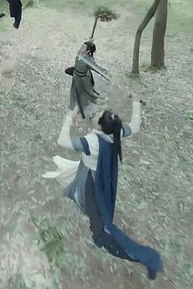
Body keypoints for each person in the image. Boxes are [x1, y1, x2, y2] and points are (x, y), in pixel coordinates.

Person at [43, 94, 164, 280]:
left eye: (98, 116)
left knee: (100, 231)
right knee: (87, 203)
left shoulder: (92, 142)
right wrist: (135, 102)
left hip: (93, 182)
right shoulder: (115, 132)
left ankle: (147, 258)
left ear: (100, 127)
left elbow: (62, 142)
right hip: (98, 176)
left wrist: (69, 118)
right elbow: (135, 127)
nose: (96, 114)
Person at [65, 40, 109, 120]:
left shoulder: (88, 60)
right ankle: (75, 108)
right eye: (81, 46)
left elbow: (96, 68)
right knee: (74, 93)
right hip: (76, 77)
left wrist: (105, 73)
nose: (81, 48)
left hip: (82, 80)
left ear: (88, 51)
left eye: (83, 47)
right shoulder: (80, 53)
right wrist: (89, 42)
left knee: (85, 95)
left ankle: (91, 110)